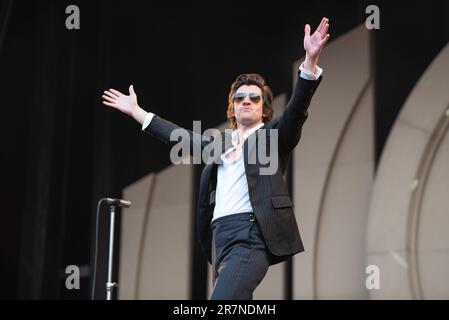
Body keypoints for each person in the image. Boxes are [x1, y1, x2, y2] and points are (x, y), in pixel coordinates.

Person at [102, 17, 330, 300]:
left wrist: (310, 61)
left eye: (254, 98)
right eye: (240, 98)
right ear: (232, 108)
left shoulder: (273, 136)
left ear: (264, 109)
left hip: (251, 235)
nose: (246, 101)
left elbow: (296, 110)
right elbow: (178, 137)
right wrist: (137, 111)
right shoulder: (218, 144)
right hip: (219, 238)